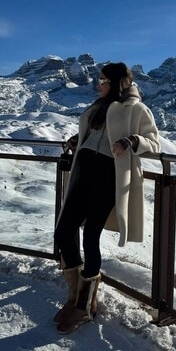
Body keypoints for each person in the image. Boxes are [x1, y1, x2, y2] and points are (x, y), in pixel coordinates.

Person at [53, 62, 159, 334]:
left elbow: (153, 142)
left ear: (116, 83)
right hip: (83, 172)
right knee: (64, 231)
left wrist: (132, 141)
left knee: (90, 236)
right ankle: (76, 296)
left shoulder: (136, 109)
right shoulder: (97, 106)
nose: (97, 84)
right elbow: (96, 134)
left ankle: (85, 306)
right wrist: (79, 140)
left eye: (102, 80)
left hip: (108, 177)